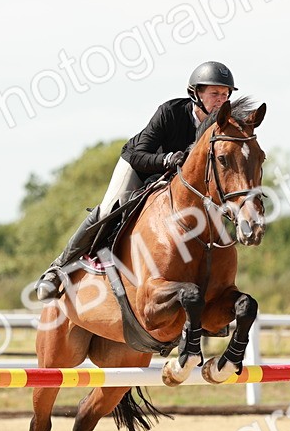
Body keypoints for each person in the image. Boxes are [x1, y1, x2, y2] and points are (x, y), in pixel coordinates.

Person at [35, 61, 238, 302]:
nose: (221, 100)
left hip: (176, 184)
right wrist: (166, 160)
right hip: (138, 167)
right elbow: (137, 154)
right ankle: (57, 270)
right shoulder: (170, 113)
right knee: (109, 208)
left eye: (225, 95)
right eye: (215, 93)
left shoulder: (220, 129)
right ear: (196, 93)